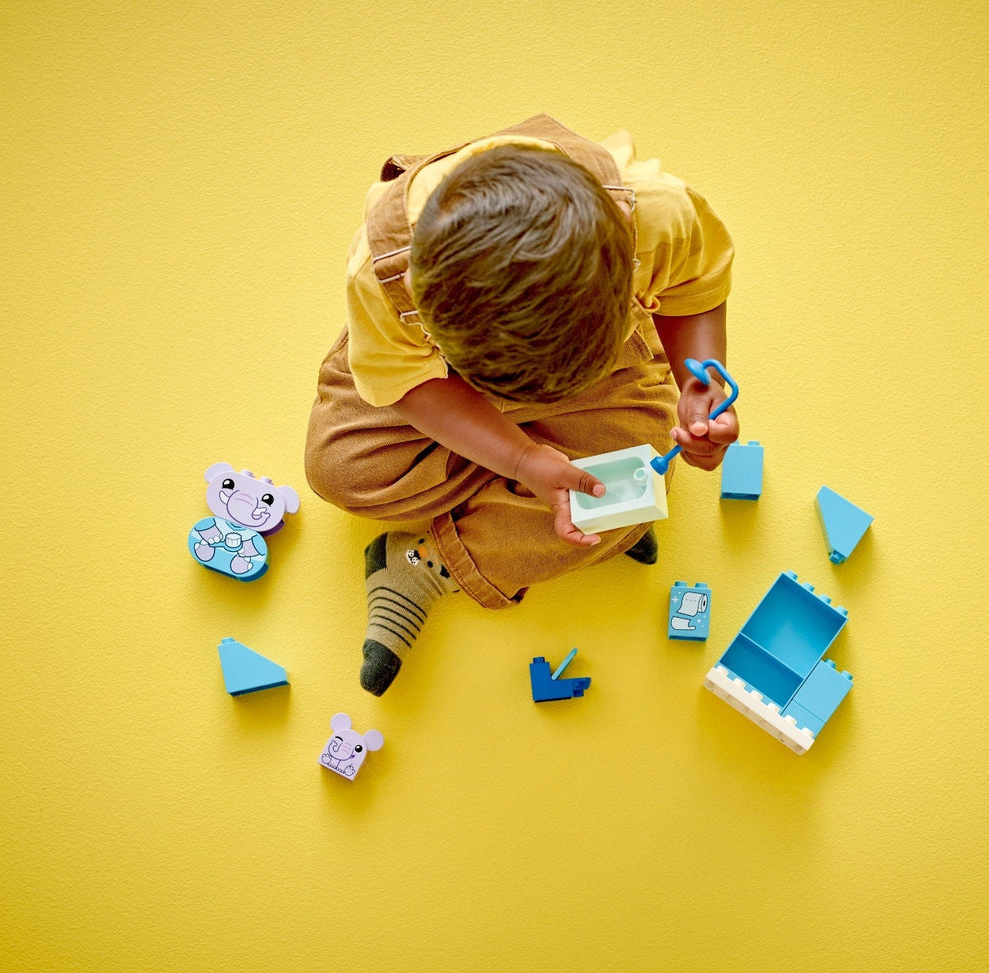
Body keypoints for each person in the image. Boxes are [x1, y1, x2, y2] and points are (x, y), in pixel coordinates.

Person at [305, 115, 737, 695]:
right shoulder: (383, 275)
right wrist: (521, 461)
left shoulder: (658, 212)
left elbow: (696, 290)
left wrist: (698, 379)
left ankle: (427, 566)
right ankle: (558, 518)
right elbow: (406, 383)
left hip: (603, 366)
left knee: (638, 476)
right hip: (438, 378)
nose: (523, 405)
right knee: (338, 469)